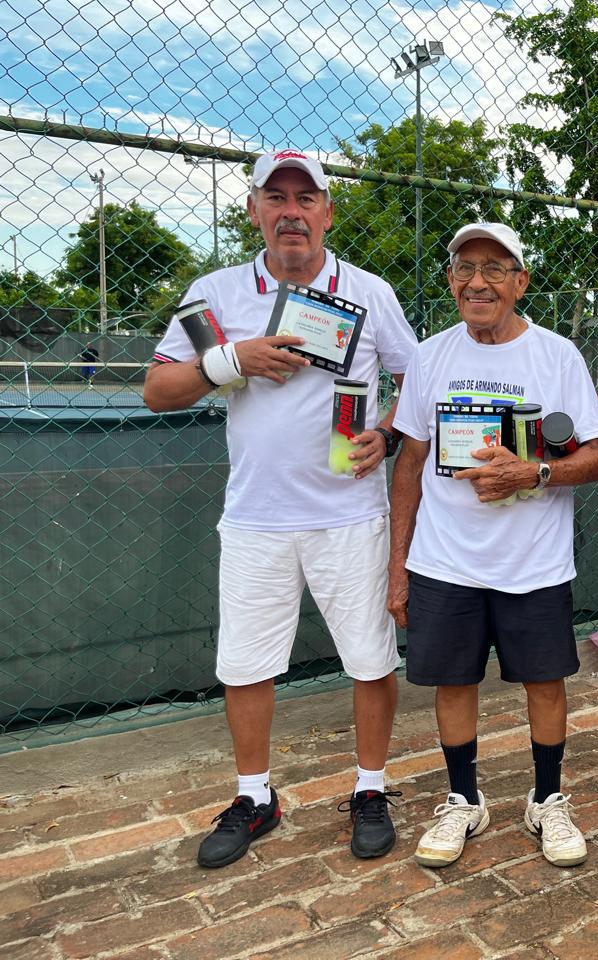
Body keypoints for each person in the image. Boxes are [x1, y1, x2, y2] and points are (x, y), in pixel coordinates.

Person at [144, 150, 417, 868]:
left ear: (328, 210)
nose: (291, 210)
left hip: (350, 512)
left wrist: (385, 433)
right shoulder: (216, 292)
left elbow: (415, 377)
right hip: (257, 517)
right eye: (277, 196)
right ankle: (255, 795)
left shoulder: (367, 290)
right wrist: (231, 360)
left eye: (307, 197)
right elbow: (157, 389)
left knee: (368, 659)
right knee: (245, 664)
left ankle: (369, 786)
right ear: (254, 209)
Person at [388, 222, 598, 868]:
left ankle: (547, 799)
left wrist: (534, 472)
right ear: (452, 281)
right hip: (444, 559)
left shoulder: (556, 356)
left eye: (494, 267)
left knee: (545, 682)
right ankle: (464, 800)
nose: (477, 281)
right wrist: (397, 568)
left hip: (532, 562)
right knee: (452, 683)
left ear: (521, 281)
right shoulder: (431, 355)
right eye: (464, 267)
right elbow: (409, 464)